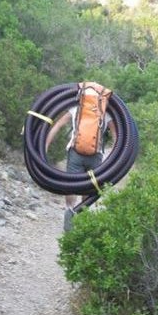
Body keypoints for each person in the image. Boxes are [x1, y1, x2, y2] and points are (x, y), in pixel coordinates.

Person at [45, 86, 117, 231]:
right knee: (88, 186)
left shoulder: (75, 108)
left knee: (71, 183)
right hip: (96, 155)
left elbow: (57, 125)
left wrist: (44, 146)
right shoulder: (104, 112)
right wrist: (115, 159)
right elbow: (117, 137)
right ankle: (82, 214)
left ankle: (69, 209)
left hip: (75, 152)